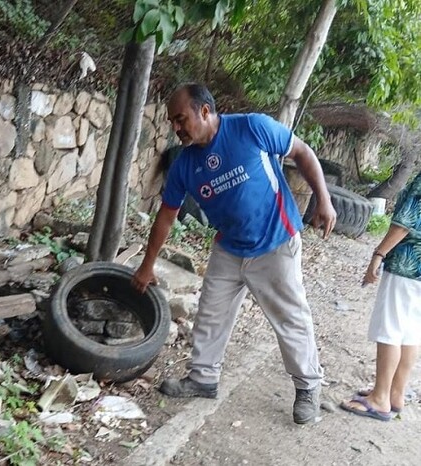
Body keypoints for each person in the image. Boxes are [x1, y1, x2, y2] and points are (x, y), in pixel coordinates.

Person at [131, 83, 337, 425]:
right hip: (229, 246)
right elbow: (166, 216)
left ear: (205, 111)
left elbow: (302, 152)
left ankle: (308, 386)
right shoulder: (185, 165)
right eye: (172, 122)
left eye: (181, 119)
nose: (176, 128)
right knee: (211, 313)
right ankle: (203, 378)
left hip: (275, 241)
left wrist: (324, 200)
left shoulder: (252, 127)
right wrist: (147, 265)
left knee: (290, 318)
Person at [340, 171, 421, 421]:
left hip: (406, 265)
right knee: (410, 330)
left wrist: (379, 253)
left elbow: (406, 222)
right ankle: (395, 393)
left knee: (391, 327)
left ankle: (380, 399)